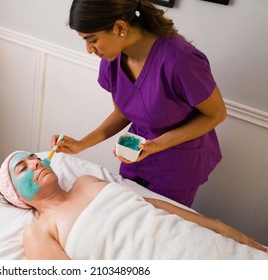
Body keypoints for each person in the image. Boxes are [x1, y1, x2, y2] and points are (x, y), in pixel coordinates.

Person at [50, 0, 227, 207]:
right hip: (136, 153)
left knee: (159, 226)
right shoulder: (112, 61)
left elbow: (216, 114)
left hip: (177, 166)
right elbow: (123, 112)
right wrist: (82, 144)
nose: (89, 49)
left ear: (119, 27)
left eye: (93, 40)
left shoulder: (180, 60)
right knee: (128, 212)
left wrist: (156, 145)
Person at [0, 151, 266, 260]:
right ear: (16, 195)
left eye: (34, 158)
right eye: (23, 168)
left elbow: (151, 205)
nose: (35, 163)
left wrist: (219, 226)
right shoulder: (39, 232)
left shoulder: (86, 181)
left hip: (205, 246)